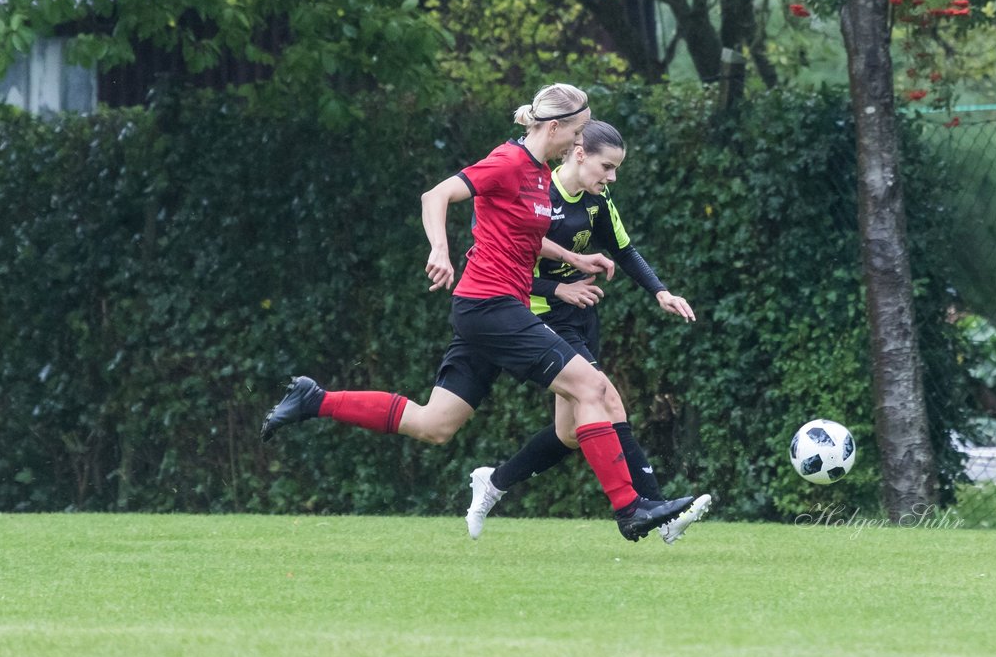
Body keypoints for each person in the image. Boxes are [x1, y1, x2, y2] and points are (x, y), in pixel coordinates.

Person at [260, 83, 696, 541]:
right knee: (591, 387)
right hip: (492, 305)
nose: (579, 144)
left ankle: (314, 399)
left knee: (435, 425)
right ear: (555, 128)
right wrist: (440, 251)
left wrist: (574, 260)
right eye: (579, 133)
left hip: (485, 308)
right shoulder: (509, 162)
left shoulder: (539, 173)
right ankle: (631, 509)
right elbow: (436, 195)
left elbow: (519, 233)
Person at [463, 120, 712, 543]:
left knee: (569, 433)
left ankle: (495, 481)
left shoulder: (598, 200)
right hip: (539, 315)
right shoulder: (538, 193)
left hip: (579, 316)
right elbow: (500, 262)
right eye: (607, 166)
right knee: (606, 396)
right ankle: (656, 510)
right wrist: (557, 286)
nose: (611, 177)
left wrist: (661, 292)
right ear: (579, 153)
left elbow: (625, 250)